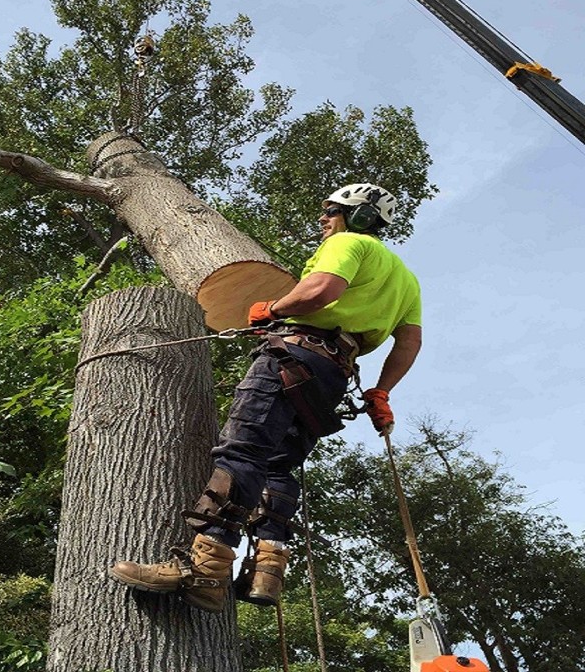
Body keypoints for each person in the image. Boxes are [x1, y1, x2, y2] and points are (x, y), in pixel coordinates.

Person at [111, 182, 422, 613]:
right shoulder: (407, 280)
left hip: (292, 354)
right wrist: (382, 391)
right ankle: (268, 569)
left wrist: (272, 310)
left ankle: (207, 563)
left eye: (331, 209)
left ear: (360, 217)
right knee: (279, 464)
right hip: (333, 374)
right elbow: (408, 343)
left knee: (243, 450)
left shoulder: (348, 242)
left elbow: (321, 292)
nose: (323, 218)